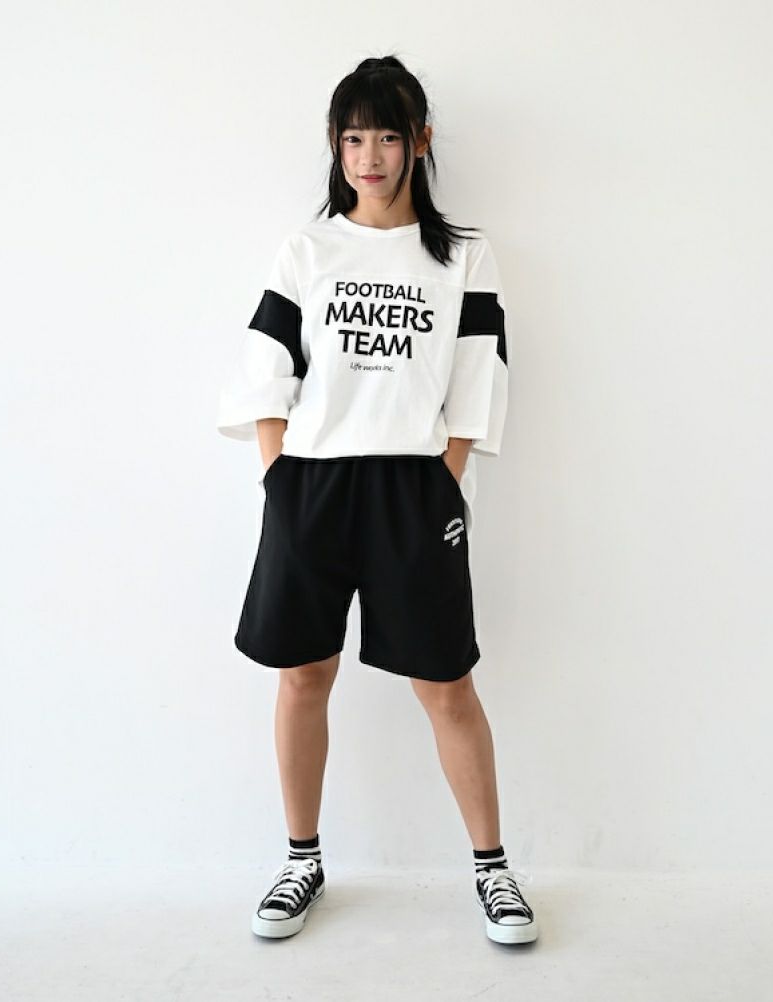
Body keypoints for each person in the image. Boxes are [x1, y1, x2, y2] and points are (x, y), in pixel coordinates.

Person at [216, 54, 538, 946]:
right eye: (354, 138)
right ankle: (302, 860)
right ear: (335, 144)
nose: (370, 157)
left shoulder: (462, 256)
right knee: (303, 674)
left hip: (412, 487)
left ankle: (493, 869)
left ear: (420, 143)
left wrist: (443, 480)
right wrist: (279, 476)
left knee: (446, 682)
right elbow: (266, 369)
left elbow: (477, 376)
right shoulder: (308, 250)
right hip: (313, 483)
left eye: (388, 137)